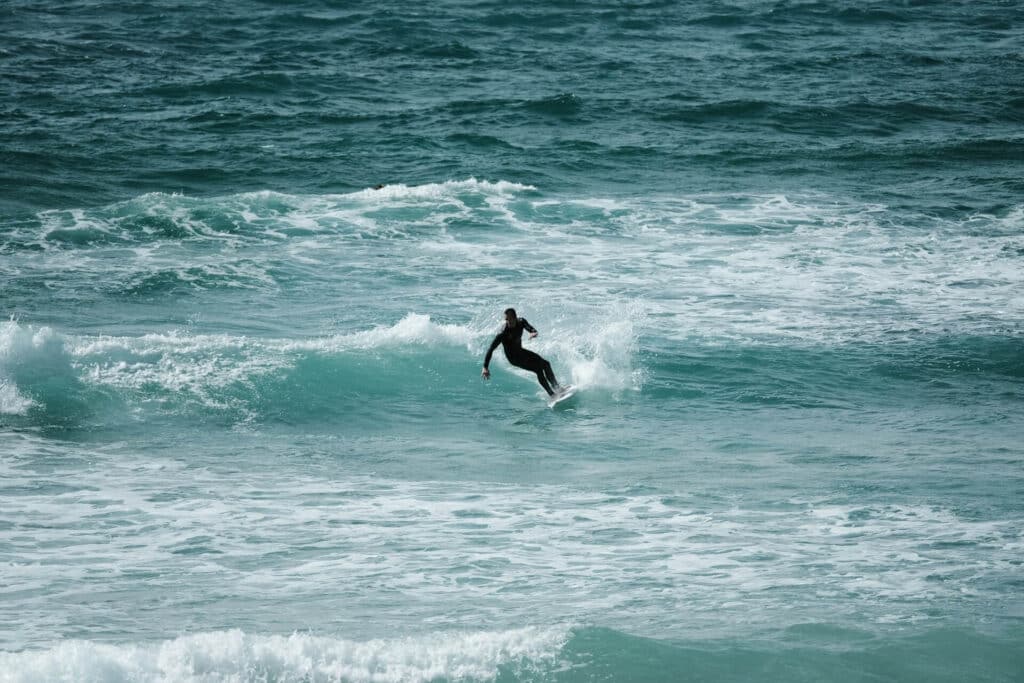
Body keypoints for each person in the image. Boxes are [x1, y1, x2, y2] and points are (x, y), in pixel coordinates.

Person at [482, 308, 563, 396]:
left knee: (546, 364)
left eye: (508, 319)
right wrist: (485, 367)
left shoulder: (521, 322)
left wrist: (533, 333)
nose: (506, 322)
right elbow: (491, 349)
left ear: (514, 318)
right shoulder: (503, 333)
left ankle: (557, 388)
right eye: (506, 319)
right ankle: (552, 394)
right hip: (513, 358)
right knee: (538, 369)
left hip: (521, 352)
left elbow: (531, 329)